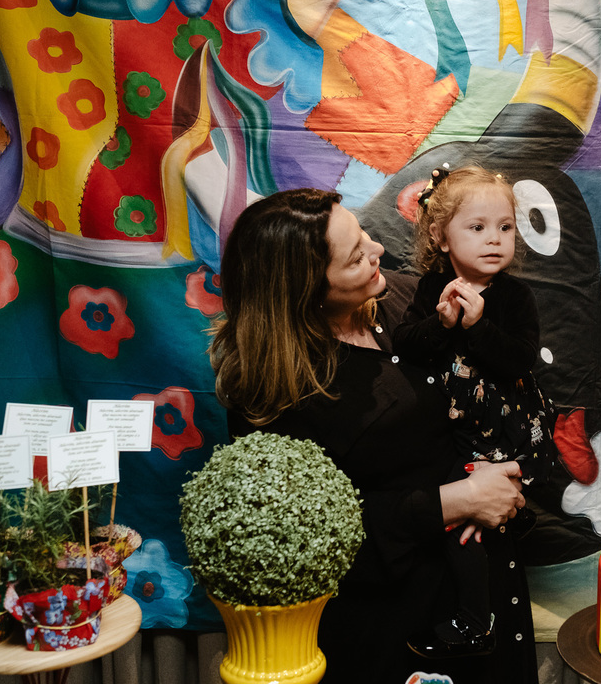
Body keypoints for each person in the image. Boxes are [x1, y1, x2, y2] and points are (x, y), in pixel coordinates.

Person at [210, 188, 540, 684]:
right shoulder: (274, 390)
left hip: (481, 586)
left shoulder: (411, 298)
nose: (376, 249)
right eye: (355, 255)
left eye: (363, 233)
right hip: (394, 622)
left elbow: (505, 384)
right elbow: (298, 537)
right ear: (306, 289)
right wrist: (456, 499)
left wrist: (506, 470)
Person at [392, 165, 556, 658]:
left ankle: (473, 622)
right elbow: (404, 348)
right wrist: (441, 324)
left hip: (502, 431)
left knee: (470, 527)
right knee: (458, 525)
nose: (495, 240)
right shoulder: (430, 289)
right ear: (442, 238)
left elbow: (518, 359)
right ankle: (473, 619)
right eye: (478, 228)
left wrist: (479, 324)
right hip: (453, 431)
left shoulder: (514, 296)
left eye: (505, 228)